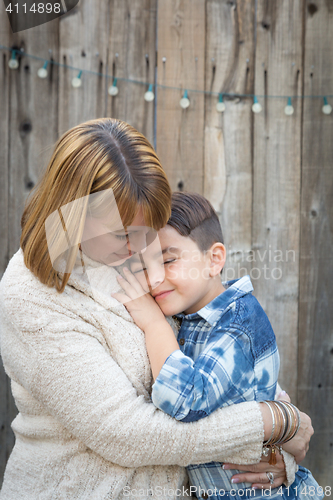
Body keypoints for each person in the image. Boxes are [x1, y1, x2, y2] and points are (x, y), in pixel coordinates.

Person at [0, 119, 313, 499]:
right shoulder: (32, 296)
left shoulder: (133, 257)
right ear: (73, 215)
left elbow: (215, 346)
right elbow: (128, 434)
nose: (140, 247)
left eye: (149, 228)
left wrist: (281, 444)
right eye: (123, 235)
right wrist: (268, 423)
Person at [113, 192, 323, 500]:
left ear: (214, 260)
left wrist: (153, 325)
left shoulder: (239, 320)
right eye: (144, 267)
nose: (154, 278)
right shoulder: (185, 317)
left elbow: (186, 400)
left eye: (168, 260)